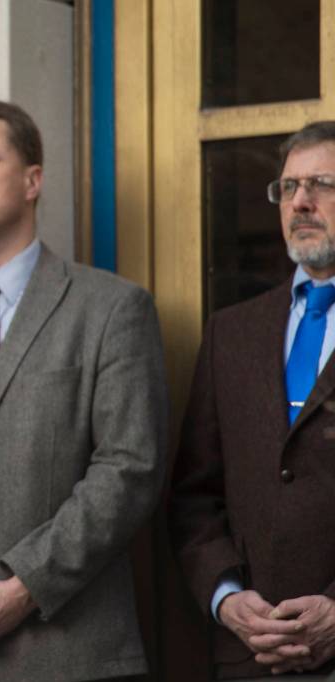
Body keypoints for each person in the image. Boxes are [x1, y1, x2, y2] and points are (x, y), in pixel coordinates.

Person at [0, 98, 167, 682]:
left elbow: (129, 469)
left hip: (68, 651)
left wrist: (23, 587)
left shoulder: (111, 308)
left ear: (33, 179)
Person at [170, 121, 335, 680]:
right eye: (288, 188)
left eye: (322, 184)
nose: (301, 202)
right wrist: (225, 597)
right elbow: (195, 494)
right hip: (249, 655)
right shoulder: (230, 333)